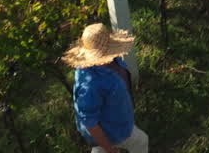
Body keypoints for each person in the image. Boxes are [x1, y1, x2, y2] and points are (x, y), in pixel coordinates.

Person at [62, 23, 149, 153]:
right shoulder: (90, 84)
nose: (113, 54)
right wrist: (109, 149)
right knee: (141, 141)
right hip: (113, 131)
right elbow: (89, 121)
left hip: (116, 121)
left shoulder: (113, 61)